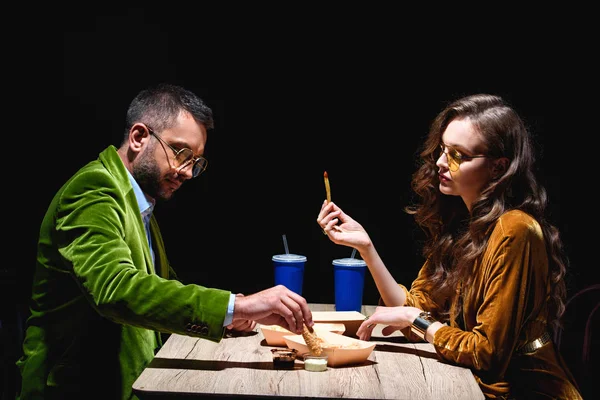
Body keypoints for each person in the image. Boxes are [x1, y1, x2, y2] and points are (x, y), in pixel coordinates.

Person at [17, 83, 314, 400]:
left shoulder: (140, 201)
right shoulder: (93, 189)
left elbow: (160, 300)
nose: (187, 172)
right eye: (181, 153)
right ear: (138, 137)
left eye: (195, 163)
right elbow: (116, 291)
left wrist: (227, 320)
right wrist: (238, 305)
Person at [317, 94, 582, 399]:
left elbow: (486, 353)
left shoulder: (515, 230)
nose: (441, 162)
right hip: (470, 385)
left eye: (458, 155)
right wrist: (367, 248)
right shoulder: (463, 224)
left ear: (499, 167)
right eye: (443, 150)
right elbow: (413, 309)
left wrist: (415, 320)